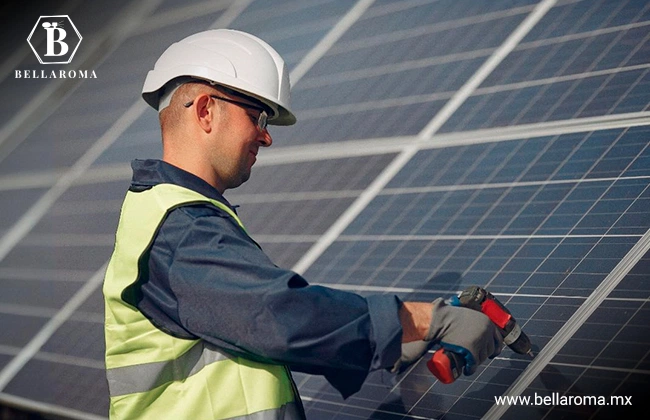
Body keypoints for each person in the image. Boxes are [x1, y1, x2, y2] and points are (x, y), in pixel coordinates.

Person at [103, 29, 502, 420]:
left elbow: (246, 330)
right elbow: (279, 315)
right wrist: (423, 321)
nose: (266, 137)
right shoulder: (181, 229)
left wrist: (389, 340)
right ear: (206, 110)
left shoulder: (166, 211)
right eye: (257, 116)